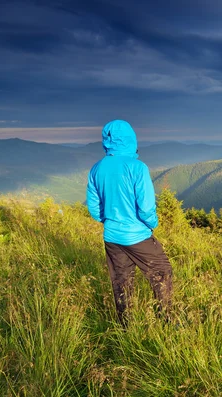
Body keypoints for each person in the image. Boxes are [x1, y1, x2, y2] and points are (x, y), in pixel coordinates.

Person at [86, 119, 172, 326]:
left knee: (121, 281)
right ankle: (166, 321)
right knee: (162, 272)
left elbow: (94, 207)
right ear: (131, 139)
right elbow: (146, 207)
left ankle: (126, 325)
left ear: (106, 140)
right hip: (138, 236)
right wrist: (152, 224)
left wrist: (108, 220)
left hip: (112, 237)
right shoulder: (137, 167)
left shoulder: (97, 169)